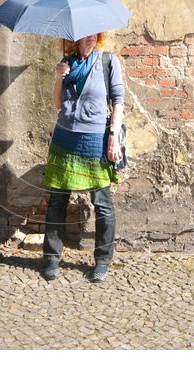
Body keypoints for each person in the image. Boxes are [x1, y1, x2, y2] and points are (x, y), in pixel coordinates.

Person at [41, 32, 124, 282]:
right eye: (84, 35)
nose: (90, 37)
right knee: (57, 201)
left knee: (102, 203)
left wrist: (113, 136)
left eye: (93, 34)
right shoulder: (67, 63)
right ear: (74, 39)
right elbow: (58, 104)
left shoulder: (107, 62)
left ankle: (102, 261)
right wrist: (59, 77)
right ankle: (52, 258)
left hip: (94, 139)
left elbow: (118, 101)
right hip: (64, 138)